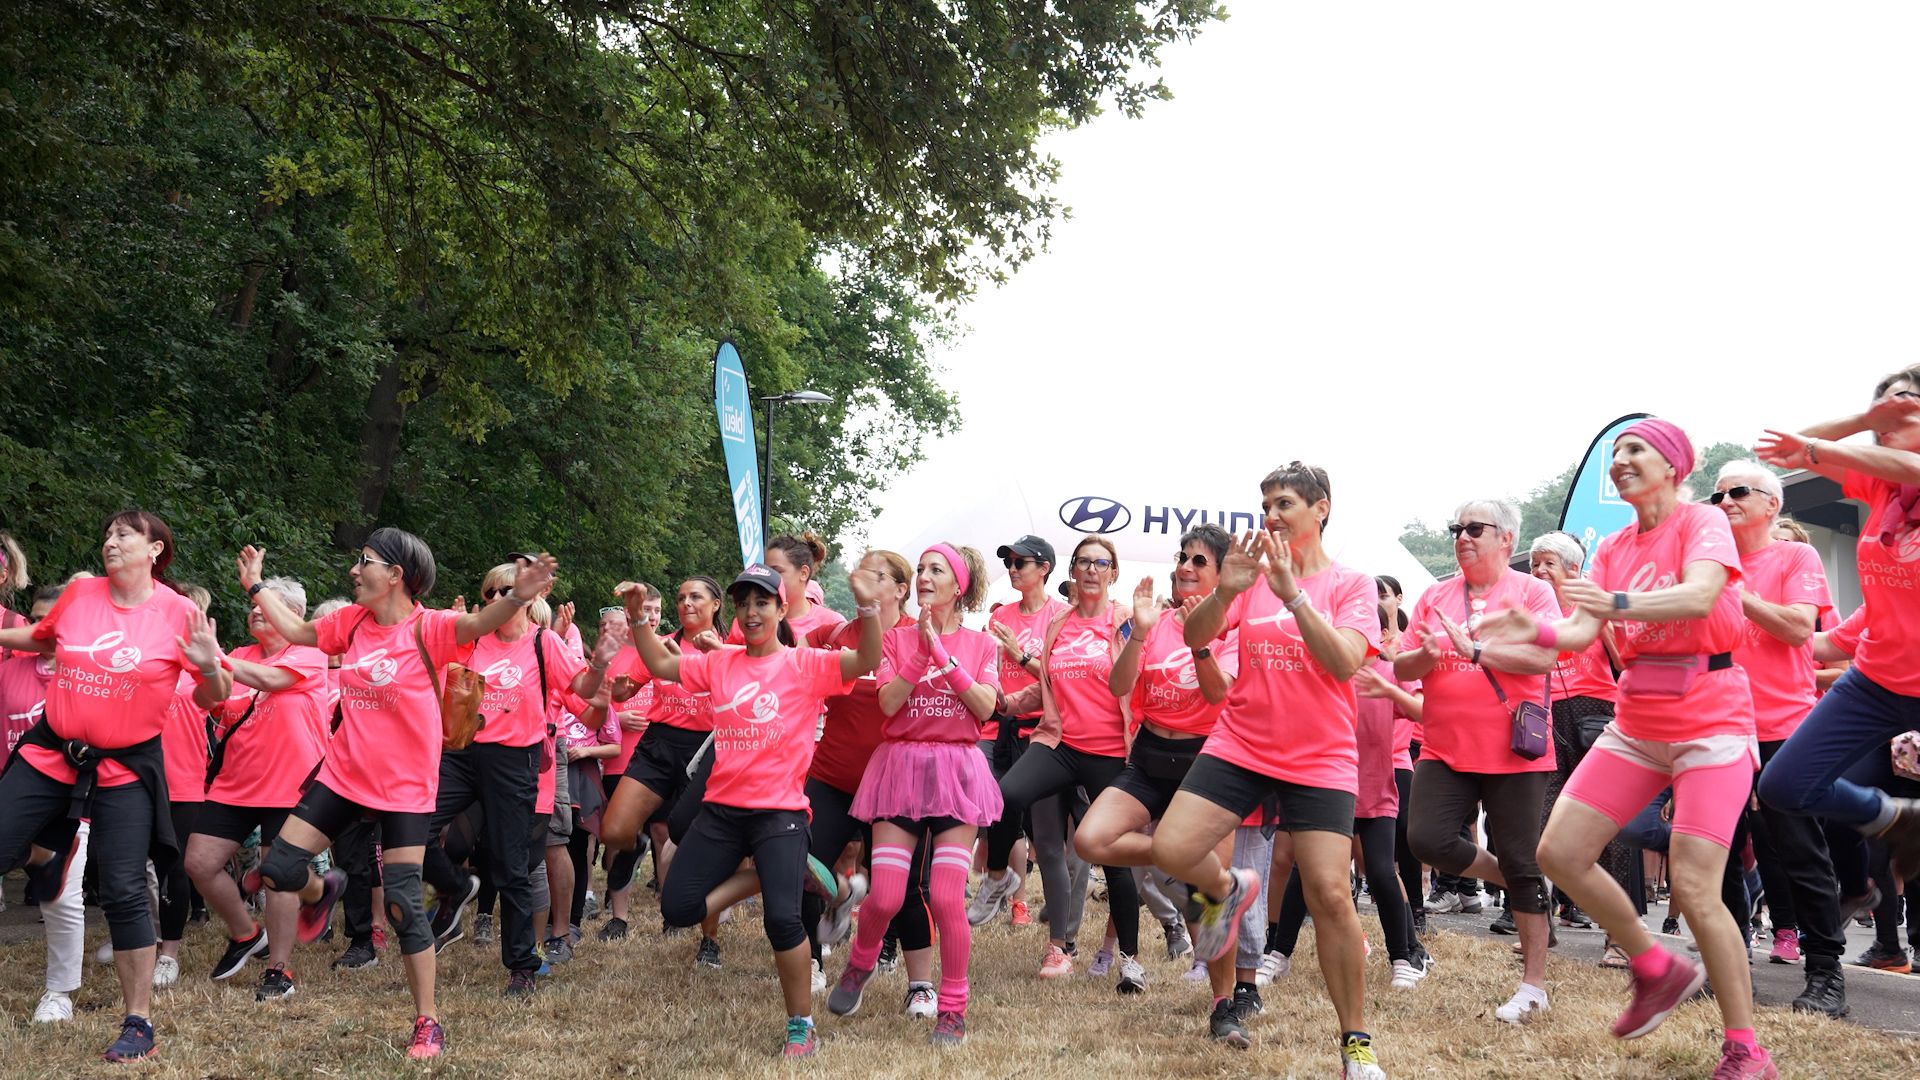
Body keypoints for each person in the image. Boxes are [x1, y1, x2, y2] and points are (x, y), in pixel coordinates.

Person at [1478, 418, 1776, 1079]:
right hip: (1637, 723)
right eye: (1616, 453)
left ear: (1673, 466)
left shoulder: (1702, 521)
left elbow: (1701, 595)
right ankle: (1655, 965)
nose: (1620, 461)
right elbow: (1580, 633)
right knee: (1558, 852)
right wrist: (1535, 628)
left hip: (1711, 723)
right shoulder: (1613, 545)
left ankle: (1746, 1049)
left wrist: (1615, 601)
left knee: (1696, 887)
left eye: (1635, 449)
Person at [236, 531, 560, 1060]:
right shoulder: (351, 622)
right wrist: (255, 587)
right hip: (343, 774)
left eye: (364, 562)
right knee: (278, 868)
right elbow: (295, 629)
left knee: (403, 905)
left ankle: (427, 1021)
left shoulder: (430, 627)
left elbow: (478, 624)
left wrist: (519, 596)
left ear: (395, 575)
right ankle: (323, 891)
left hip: (406, 787)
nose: (353, 570)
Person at [1150, 462, 1387, 1080]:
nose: (1271, 516)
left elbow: (1344, 662)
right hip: (1242, 741)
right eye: (1266, 505)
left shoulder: (1352, 584)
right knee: (1172, 848)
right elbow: (1195, 635)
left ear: (1321, 509)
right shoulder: (1249, 577)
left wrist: (1294, 595)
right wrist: (1225, 591)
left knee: (1329, 892)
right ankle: (1228, 890)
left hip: (1319, 754)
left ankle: (1355, 1044)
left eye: (1284, 503)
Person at [0, 510, 227, 1063]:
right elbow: (39, 637)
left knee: (124, 889)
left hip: (125, 766)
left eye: (124, 534)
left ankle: (138, 1023)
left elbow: (213, 697)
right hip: (52, 750)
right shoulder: (81, 596)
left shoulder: (179, 613)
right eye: (107, 534)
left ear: (156, 549)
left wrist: (208, 667)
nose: (111, 542)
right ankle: (49, 855)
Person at [630, 563, 882, 1058]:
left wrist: (869, 607)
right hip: (722, 812)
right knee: (677, 907)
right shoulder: (721, 664)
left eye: (761, 602)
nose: (750, 612)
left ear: (781, 608)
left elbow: (867, 657)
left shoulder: (805, 664)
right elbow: (659, 663)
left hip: (780, 813)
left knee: (782, 922)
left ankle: (801, 1025)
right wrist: (639, 620)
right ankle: (777, 873)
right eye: (743, 603)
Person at [1074, 525, 1256, 1029]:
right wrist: (1141, 633)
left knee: (1206, 900)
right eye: (1183, 557)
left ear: (1222, 574)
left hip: (1208, 761)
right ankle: (1190, 859)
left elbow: (1218, 694)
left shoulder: (1235, 628)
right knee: (1090, 839)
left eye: (1199, 561)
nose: (1185, 567)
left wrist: (1199, 642)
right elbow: (1118, 686)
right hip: (1150, 755)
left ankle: (1223, 1006)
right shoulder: (1152, 620)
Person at [420, 560, 622, 995]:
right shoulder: (473, 639)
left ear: (529, 598)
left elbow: (584, 692)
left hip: (515, 760)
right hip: (462, 751)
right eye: (491, 592)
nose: (498, 598)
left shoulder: (544, 643)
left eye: (507, 590)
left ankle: (522, 965)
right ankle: (457, 888)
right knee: (415, 825)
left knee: (511, 864)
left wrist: (601, 663)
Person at [1755, 367, 1920, 887]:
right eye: (1885, 410)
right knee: (1784, 785)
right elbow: (1788, 450)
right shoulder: (1881, 487)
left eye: (1906, 406)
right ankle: (1897, 818)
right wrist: (1864, 418)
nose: (1891, 418)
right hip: (1875, 682)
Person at [1396, 500, 1559, 1023]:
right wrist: (1424, 655)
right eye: (1456, 529)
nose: (1461, 537)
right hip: (1445, 747)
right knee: (1426, 839)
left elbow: (1545, 656)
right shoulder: (1435, 595)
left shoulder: (1532, 592)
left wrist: (1476, 651)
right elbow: (1402, 665)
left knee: (1522, 857)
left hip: (1515, 750)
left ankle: (1533, 986)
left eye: (1474, 528)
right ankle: (1512, 880)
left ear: (1506, 539)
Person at [830, 544, 1000, 1045]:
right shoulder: (893, 639)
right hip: (900, 769)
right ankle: (860, 963)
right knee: (884, 895)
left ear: (959, 586)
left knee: (946, 897)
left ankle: (953, 1009)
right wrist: (922, 652)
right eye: (921, 568)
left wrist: (943, 656)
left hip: (957, 774)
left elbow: (985, 707)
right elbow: (887, 703)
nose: (924, 576)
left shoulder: (980, 644)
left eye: (935, 570)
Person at [1711, 459, 1849, 1016]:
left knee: (1799, 852)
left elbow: (1796, 629)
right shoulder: (1706, 566)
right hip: (1716, 727)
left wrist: (1732, 589)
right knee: (1714, 854)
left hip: (1783, 728)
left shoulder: (1795, 557)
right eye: (1717, 496)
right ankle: (1727, 966)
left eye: (1737, 492)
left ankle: (1826, 974)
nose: (1724, 502)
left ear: (1772, 504)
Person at [974, 536, 1143, 984]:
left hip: (1110, 752)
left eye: (1100, 563)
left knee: (1113, 857)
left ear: (1113, 572)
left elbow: (1138, 679)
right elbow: (1048, 684)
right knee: (1006, 795)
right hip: (1060, 743)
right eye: (1083, 562)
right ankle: (1007, 887)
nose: (1091, 570)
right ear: (1072, 570)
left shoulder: (1125, 620)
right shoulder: (1060, 624)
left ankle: (1130, 960)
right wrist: (1008, 703)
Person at [184, 575, 332, 1002]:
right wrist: (210, 668)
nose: (253, 611)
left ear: (292, 614)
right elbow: (206, 700)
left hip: (290, 783)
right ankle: (246, 933)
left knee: (276, 874)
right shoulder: (239, 655)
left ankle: (279, 970)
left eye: (263, 606)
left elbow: (271, 679)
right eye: (251, 607)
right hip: (235, 783)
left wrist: (218, 659)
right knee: (198, 862)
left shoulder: (310, 653)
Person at [801, 551, 925, 999]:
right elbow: (781, 660)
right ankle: (811, 960)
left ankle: (908, 973)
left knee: (900, 886)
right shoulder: (833, 634)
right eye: (860, 572)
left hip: (893, 784)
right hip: (832, 776)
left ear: (900, 589)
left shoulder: (917, 636)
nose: (862, 581)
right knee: (802, 867)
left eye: (876, 576)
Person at [1527, 530, 1643, 965]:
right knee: (1541, 821)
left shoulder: (1592, 604)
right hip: (1546, 717)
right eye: (1535, 564)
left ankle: (1620, 936)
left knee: (1608, 825)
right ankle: (1540, 925)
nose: (1539, 571)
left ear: (1574, 570)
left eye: (1549, 564)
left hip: (1597, 712)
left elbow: (1624, 658)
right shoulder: (1531, 608)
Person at [601, 576, 724, 961]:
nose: (686, 603)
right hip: (659, 744)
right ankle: (637, 848)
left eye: (696, 597)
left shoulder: (730, 648)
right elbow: (625, 691)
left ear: (716, 604)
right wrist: (619, 689)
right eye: (681, 597)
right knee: (614, 830)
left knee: (702, 846)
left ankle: (709, 940)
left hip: (706, 750)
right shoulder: (660, 644)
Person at [0, 583, 89, 1023]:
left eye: (51, 620)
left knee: (62, 899)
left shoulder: (89, 672)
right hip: (20, 790)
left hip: (76, 799)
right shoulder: (11, 670)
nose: (42, 628)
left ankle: (59, 993)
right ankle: (40, 855)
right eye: (35, 619)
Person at [973, 534, 1068, 930]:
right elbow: (987, 671)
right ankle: (999, 890)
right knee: (986, 805)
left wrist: (1020, 655)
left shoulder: (1061, 616)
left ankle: (1047, 911)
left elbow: (1061, 678)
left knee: (1049, 838)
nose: (1011, 569)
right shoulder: (1000, 618)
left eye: (1020, 563)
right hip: (997, 728)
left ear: (1044, 568)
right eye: (1008, 562)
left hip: (1043, 732)